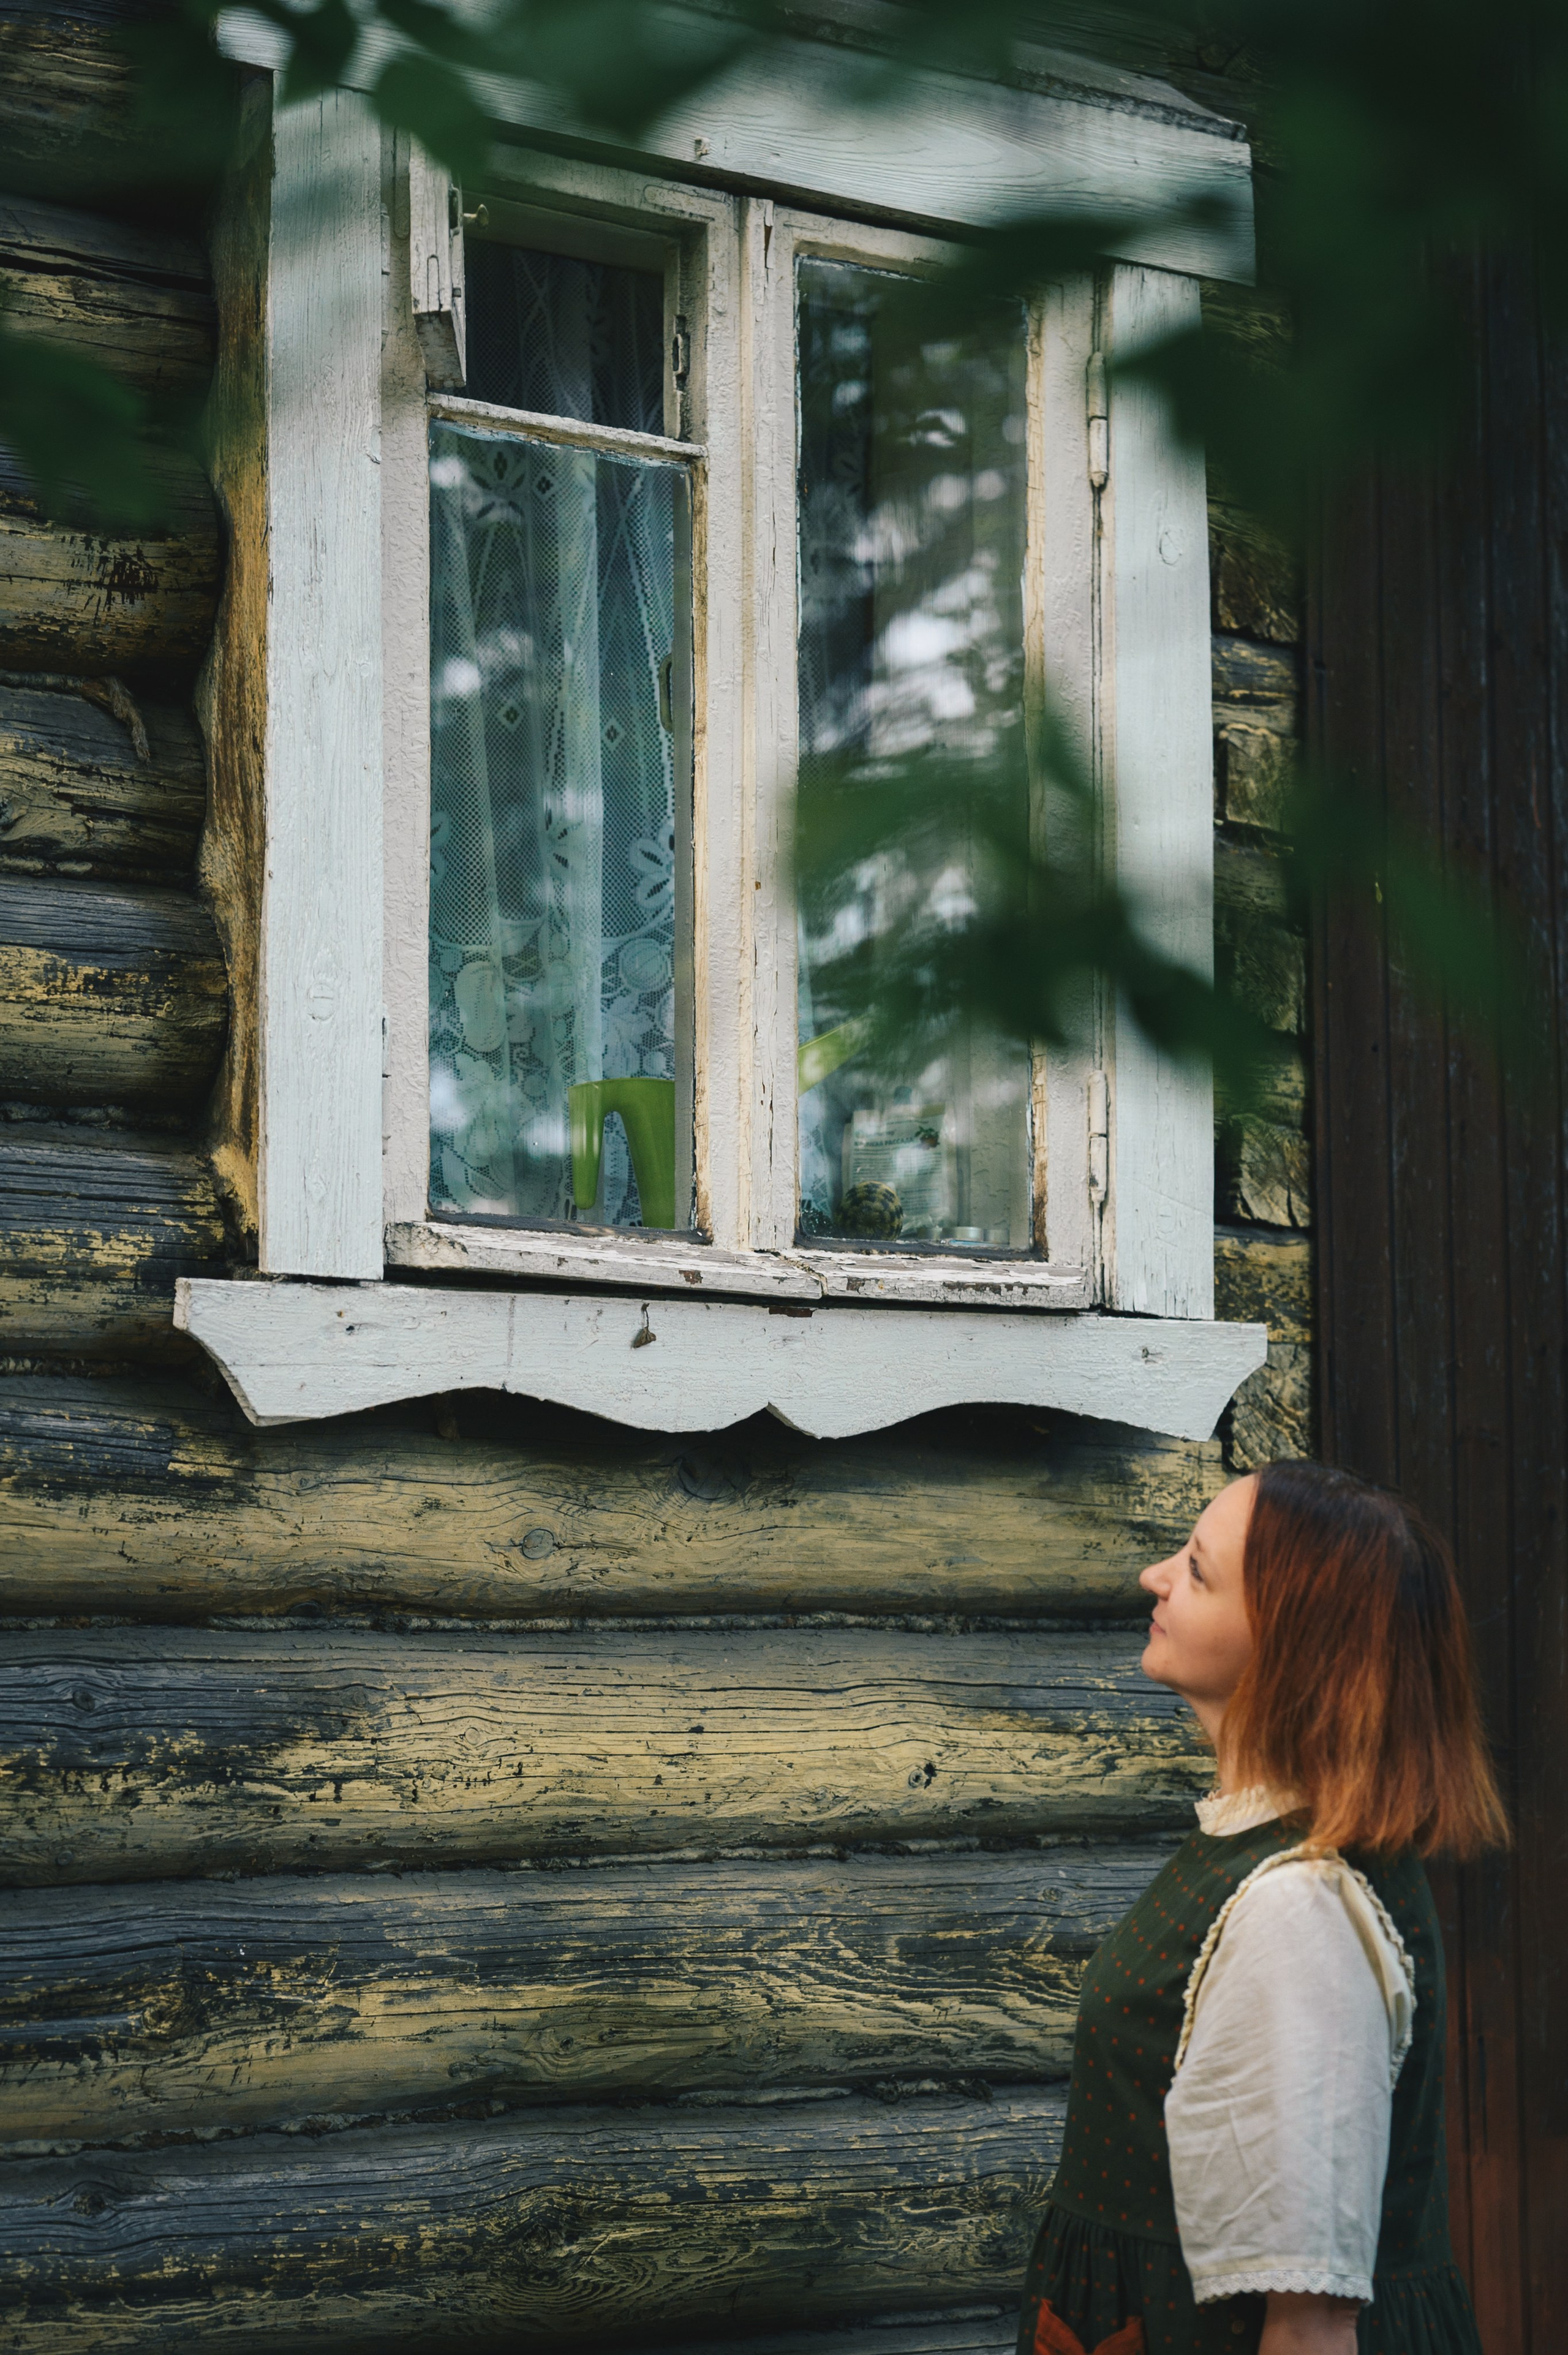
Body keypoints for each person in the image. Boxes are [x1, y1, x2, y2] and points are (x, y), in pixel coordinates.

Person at [1017, 1459, 1507, 2355]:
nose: (1155, 1577)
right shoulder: (1259, 1847)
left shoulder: (1300, 1913)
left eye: (1197, 1571)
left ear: (1289, 1650)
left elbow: (1310, 2324)